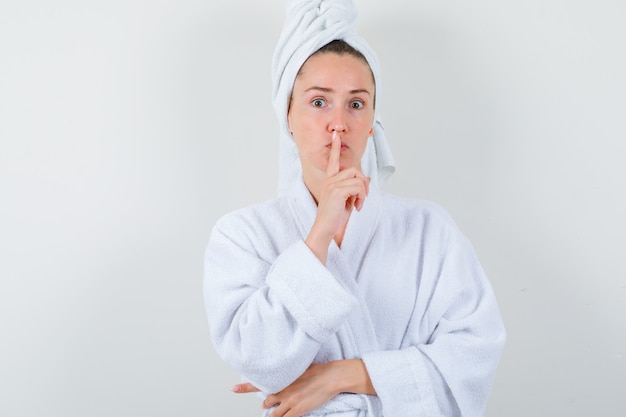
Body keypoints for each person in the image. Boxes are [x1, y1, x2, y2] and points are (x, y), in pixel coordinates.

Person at [203, 1, 506, 416]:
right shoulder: (243, 234)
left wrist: (340, 375)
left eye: (356, 104)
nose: (339, 123)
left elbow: (475, 353)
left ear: (373, 120)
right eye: (318, 102)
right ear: (287, 114)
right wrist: (318, 236)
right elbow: (258, 358)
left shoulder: (429, 229)